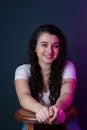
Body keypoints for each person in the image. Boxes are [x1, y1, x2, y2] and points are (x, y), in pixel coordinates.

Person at [14, 24, 81, 130]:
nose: (50, 51)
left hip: (65, 120)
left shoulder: (68, 66)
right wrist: (40, 109)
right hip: (34, 121)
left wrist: (58, 108)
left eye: (55, 45)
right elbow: (24, 96)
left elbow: (67, 93)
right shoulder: (23, 70)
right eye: (44, 45)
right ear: (35, 47)